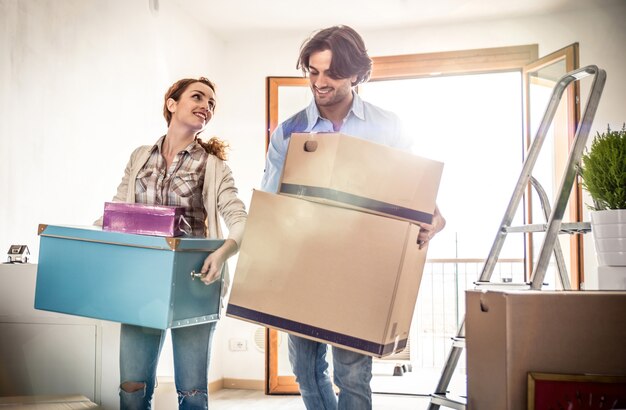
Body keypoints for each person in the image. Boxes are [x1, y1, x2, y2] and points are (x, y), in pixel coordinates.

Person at [260, 25, 446, 410]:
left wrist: (434, 218)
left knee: (352, 373)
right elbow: (271, 201)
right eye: (313, 71)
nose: (320, 82)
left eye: (331, 73)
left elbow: (416, 192)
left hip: (359, 269)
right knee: (306, 370)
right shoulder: (290, 130)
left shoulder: (387, 126)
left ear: (357, 74)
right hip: (303, 264)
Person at [101, 77, 247, 409]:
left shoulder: (213, 165)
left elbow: (239, 219)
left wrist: (223, 253)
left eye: (211, 103)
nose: (206, 106)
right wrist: (79, 240)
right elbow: (117, 213)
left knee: (193, 392)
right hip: (141, 280)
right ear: (172, 104)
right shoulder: (140, 156)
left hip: (194, 282)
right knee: (132, 388)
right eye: (198, 97)